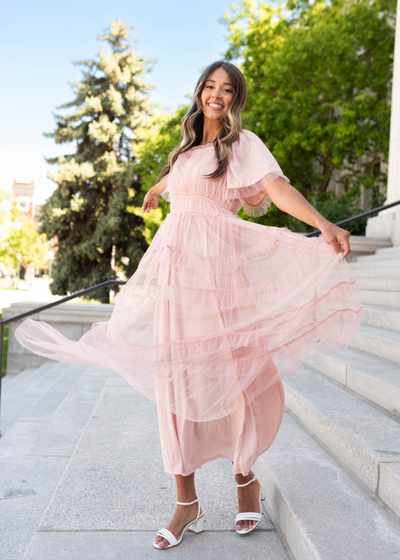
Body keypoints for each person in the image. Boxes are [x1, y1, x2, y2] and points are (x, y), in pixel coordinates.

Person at [15, 60, 363, 550]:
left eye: (227, 90)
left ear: (235, 99)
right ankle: (186, 502)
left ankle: (246, 480)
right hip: (176, 283)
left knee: (236, 379)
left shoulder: (240, 146)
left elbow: (275, 189)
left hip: (221, 281)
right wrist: (157, 190)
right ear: (199, 92)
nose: (216, 95)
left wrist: (324, 224)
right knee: (175, 381)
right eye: (210, 86)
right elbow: (179, 185)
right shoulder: (185, 150)